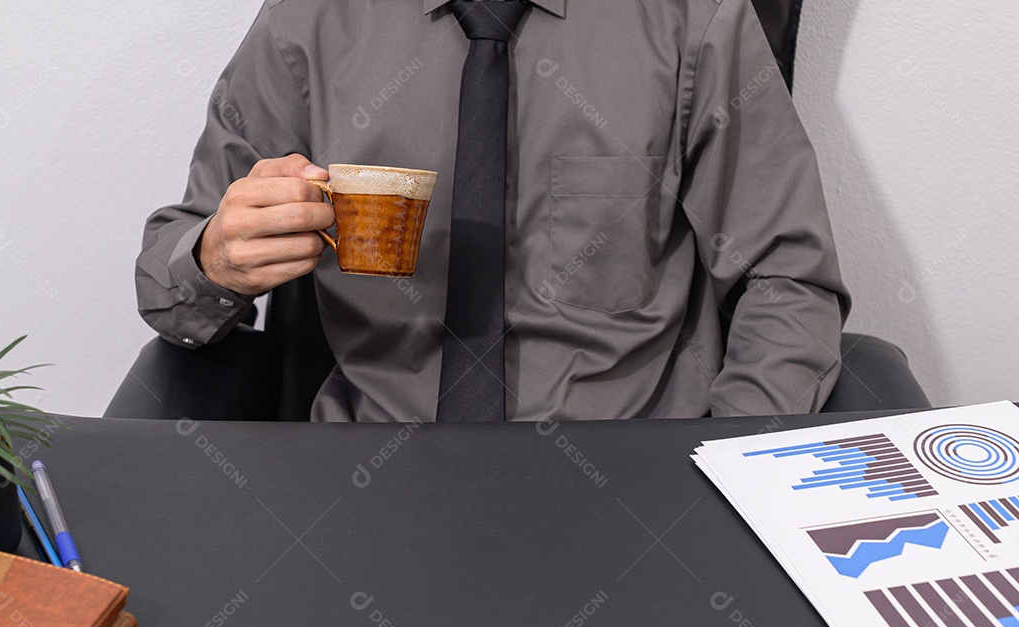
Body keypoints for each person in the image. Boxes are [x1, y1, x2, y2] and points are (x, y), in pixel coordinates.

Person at [136, 0, 850, 422]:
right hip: (372, 481)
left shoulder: (693, 18)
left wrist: (722, 477)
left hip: (629, 485)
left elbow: (788, 279)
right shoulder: (312, 21)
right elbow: (164, 280)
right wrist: (215, 259)